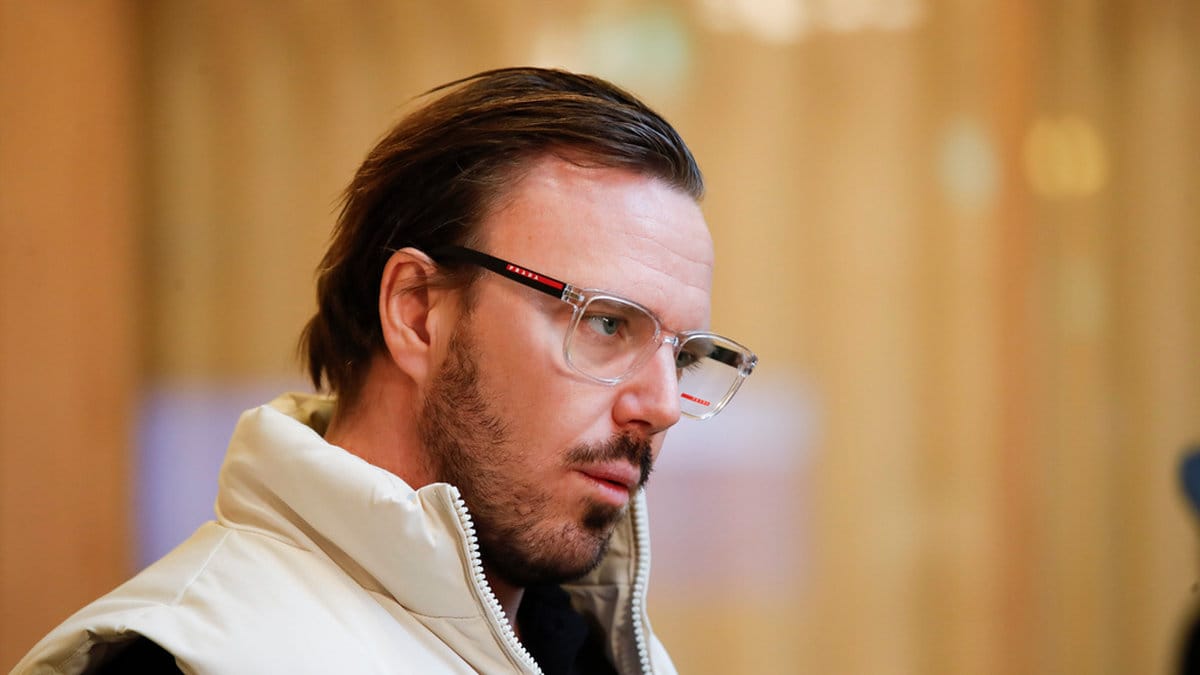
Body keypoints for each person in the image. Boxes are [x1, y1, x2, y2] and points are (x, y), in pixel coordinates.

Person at [12, 67, 757, 674]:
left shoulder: (594, 648)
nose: (663, 405)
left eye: (682, 353)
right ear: (418, 313)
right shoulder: (187, 659)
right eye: (606, 322)